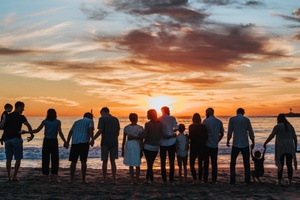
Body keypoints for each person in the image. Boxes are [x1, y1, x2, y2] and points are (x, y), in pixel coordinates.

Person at [23, 108, 67, 182]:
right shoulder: (57, 122)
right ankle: (55, 176)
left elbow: (37, 130)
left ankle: (47, 176)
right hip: (54, 141)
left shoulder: (45, 121)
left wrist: (26, 132)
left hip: (46, 140)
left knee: (45, 158)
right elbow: (60, 133)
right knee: (55, 159)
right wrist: (65, 141)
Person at [2, 101, 33, 181]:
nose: (23, 109)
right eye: (22, 107)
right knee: (18, 158)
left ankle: (9, 177)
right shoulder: (21, 117)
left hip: (8, 139)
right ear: (18, 107)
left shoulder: (7, 116)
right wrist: (31, 135)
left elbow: (2, 127)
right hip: (16, 139)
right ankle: (15, 176)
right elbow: (28, 125)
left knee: (8, 159)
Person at [263, 114, 297, 185]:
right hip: (290, 146)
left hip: (281, 147)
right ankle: (290, 181)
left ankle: (279, 181)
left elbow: (271, 136)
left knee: (280, 164)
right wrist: (295, 148)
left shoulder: (278, 126)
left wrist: (265, 143)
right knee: (289, 164)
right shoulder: (290, 126)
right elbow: (295, 138)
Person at [92, 107, 120, 184]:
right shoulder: (115, 119)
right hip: (114, 141)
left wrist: (93, 139)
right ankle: (114, 179)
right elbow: (118, 132)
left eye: (101, 113)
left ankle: (105, 179)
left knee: (104, 161)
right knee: (113, 161)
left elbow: (100, 130)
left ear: (103, 112)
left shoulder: (102, 119)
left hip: (105, 141)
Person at [227, 108, 255, 184]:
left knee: (233, 163)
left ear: (236, 112)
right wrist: (253, 141)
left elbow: (230, 131)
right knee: (246, 163)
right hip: (245, 143)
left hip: (236, 143)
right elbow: (250, 131)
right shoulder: (246, 120)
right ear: (243, 113)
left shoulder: (232, 119)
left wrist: (228, 140)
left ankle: (232, 180)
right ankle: (247, 180)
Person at [65, 112, 94, 184]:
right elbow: (90, 130)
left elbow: (70, 132)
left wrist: (67, 141)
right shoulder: (90, 121)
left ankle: (71, 179)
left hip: (75, 142)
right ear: (89, 116)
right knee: (83, 161)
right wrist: (92, 139)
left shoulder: (76, 122)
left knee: (73, 161)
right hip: (84, 142)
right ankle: (83, 179)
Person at [202, 108, 224, 184]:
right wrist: (217, 140)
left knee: (206, 163)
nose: (205, 114)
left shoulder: (205, 121)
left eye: (206, 112)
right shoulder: (219, 122)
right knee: (214, 163)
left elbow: (203, 133)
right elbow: (222, 133)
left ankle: (205, 179)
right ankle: (214, 179)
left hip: (207, 144)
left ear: (208, 113)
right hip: (214, 145)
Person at [121, 113, 144, 184]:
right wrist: (141, 149)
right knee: (137, 163)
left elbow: (124, 139)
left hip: (129, 144)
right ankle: (137, 179)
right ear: (137, 119)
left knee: (131, 164)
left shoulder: (126, 128)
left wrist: (122, 149)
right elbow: (141, 139)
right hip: (136, 144)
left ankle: (132, 180)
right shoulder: (140, 128)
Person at [158, 106, 178, 184]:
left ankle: (164, 179)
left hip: (162, 142)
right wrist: (172, 132)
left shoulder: (159, 119)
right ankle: (171, 179)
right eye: (169, 110)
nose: (169, 111)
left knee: (163, 161)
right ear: (167, 111)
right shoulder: (172, 118)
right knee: (171, 161)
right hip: (171, 142)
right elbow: (176, 127)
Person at [142, 109, 163, 184]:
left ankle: (149, 179)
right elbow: (161, 134)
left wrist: (138, 135)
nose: (147, 115)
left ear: (150, 115)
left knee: (149, 163)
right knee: (150, 163)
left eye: (147, 114)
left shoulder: (147, 124)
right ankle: (149, 179)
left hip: (147, 146)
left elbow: (145, 135)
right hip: (155, 146)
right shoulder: (160, 124)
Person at [188, 113, 208, 184]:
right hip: (202, 146)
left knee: (192, 163)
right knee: (200, 164)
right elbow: (206, 137)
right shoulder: (203, 126)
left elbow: (191, 137)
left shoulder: (191, 126)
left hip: (193, 146)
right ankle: (199, 179)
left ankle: (195, 178)